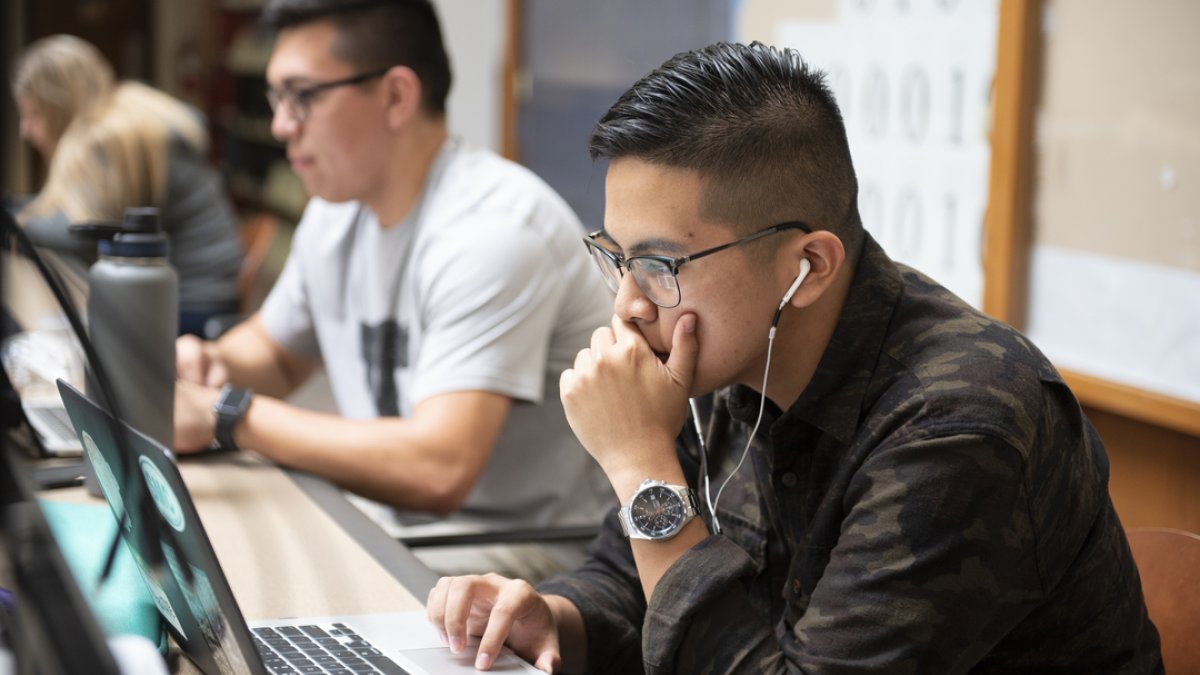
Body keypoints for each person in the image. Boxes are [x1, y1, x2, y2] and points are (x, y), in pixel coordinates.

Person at [426, 41, 1163, 674]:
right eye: (617, 257)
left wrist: (640, 463)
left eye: (659, 263)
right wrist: (557, 617)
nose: (627, 303)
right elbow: (632, 572)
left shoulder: (963, 422)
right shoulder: (731, 345)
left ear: (805, 266)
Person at [171, 0, 614, 578]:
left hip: (516, 549)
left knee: (260, 583)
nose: (282, 125)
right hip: (393, 522)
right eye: (277, 100)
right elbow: (276, 355)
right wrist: (210, 363)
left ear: (396, 96)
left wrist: (229, 414)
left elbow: (437, 470)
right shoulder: (337, 211)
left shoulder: (494, 229)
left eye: (302, 95)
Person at [12, 34, 244, 336]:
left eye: (33, 114)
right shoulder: (128, 112)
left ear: (59, 105)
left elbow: (85, 231)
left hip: (192, 307)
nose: (24, 131)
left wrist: (17, 221)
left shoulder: (110, 139)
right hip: (210, 291)